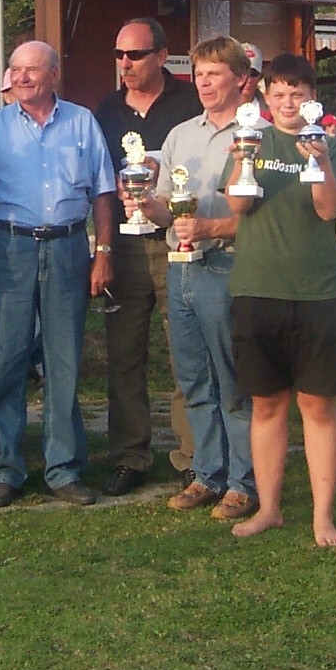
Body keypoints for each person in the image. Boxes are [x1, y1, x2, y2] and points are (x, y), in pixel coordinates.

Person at [0, 41, 116, 508]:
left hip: (69, 246)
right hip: (9, 247)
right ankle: (7, 467)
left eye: (32, 70)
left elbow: (104, 191)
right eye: (16, 70)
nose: (23, 78)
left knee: (64, 358)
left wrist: (103, 252)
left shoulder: (82, 122)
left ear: (54, 73)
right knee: (7, 359)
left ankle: (64, 468)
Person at [122, 36, 257, 522]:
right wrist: (141, 201)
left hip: (231, 264)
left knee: (232, 380)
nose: (203, 82)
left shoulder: (257, 133)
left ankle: (244, 482)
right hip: (181, 265)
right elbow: (163, 209)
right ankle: (207, 472)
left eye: (214, 73)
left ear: (241, 80)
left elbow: (266, 216)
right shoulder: (181, 134)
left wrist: (210, 227)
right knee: (193, 377)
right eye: (198, 73)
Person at [221, 52, 336, 546]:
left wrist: (318, 159)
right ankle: (270, 508)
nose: (287, 103)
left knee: (318, 407)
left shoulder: (329, 144)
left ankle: (323, 516)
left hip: (318, 292)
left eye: (297, 94)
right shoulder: (249, 136)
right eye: (277, 94)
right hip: (258, 290)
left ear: (312, 98)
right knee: (266, 405)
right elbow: (238, 204)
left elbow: (329, 211)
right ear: (264, 98)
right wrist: (243, 158)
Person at [92, 17, 201, 495]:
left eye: (135, 55)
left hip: (177, 237)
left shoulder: (191, 102)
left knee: (186, 352)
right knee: (125, 354)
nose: (125, 64)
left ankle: (194, 457)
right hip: (127, 242)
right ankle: (130, 456)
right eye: (119, 54)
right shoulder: (106, 110)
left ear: (161, 55)